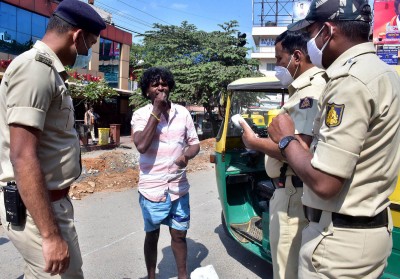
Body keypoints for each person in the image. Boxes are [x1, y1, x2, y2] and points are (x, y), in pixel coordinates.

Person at [267, 0, 400, 278]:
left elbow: (326, 183)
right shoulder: (384, 73)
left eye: (312, 32)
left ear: (327, 32)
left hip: (338, 242)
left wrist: (285, 139)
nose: (308, 42)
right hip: (368, 231)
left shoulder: (349, 81)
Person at [0, 0, 106, 278]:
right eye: (90, 43)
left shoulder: (49, 72)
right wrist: (50, 235)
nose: (87, 51)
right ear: (77, 35)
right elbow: (22, 155)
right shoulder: (36, 69)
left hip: (46, 203)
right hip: (38, 209)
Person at [239, 30, 326, 279]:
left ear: (296, 57)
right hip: (295, 192)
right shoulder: (301, 90)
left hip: (293, 194)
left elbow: (297, 148)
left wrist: (254, 142)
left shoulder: (309, 92)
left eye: (279, 59)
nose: (277, 66)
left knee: (286, 270)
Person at [131, 67, 200, 279]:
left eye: (164, 83)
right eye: (155, 84)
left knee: (179, 234)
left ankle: (182, 275)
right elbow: (141, 145)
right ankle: (152, 276)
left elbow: (194, 144)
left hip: (179, 187)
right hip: (152, 189)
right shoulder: (140, 115)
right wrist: (156, 111)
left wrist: (187, 156)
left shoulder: (183, 113)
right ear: (146, 91)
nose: (161, 87)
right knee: (152, 235)